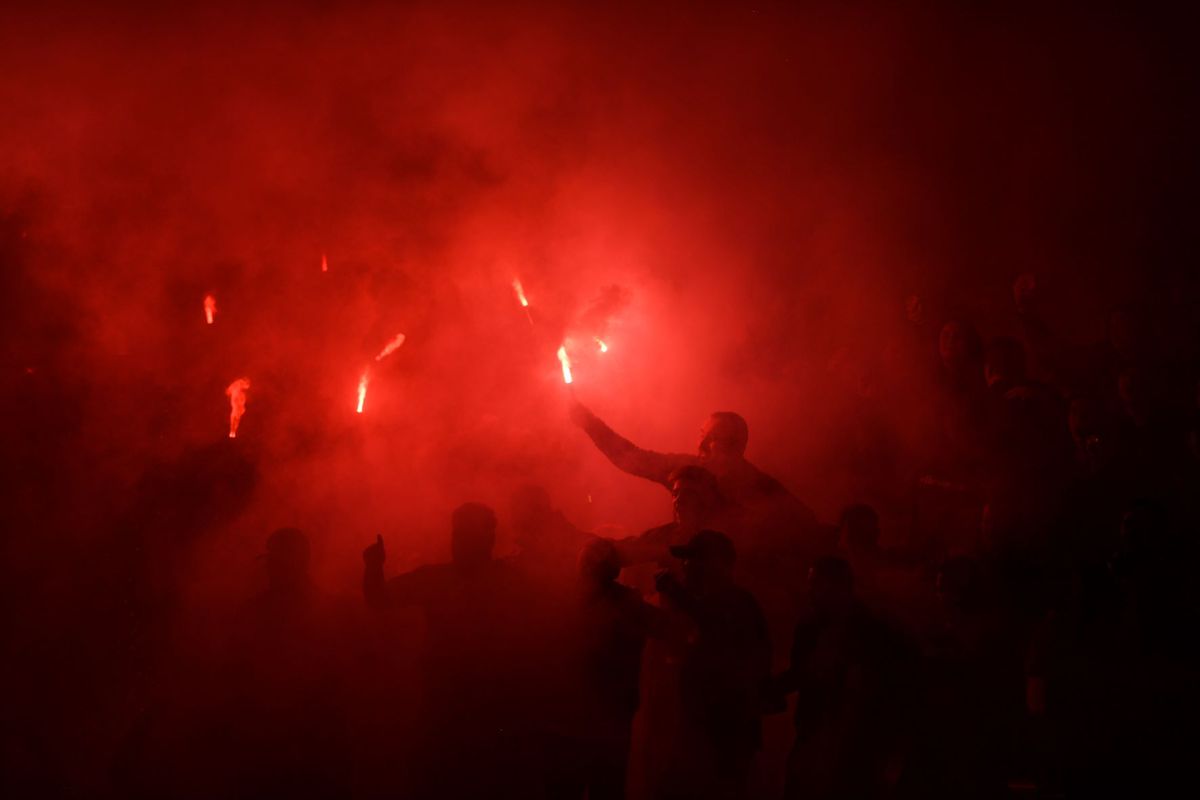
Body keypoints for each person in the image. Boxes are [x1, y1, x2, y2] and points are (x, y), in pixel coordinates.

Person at [362, 503, 530, 798]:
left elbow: (379, 599)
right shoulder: (447, 579)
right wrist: (373, 568)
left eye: (465, 535)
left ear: (487, 539)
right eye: (458, 534)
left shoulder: (507, 581)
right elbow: (379, 599)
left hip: (487, 708)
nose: (458, 542)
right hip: (450, 706)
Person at [770, 557, 912, 800]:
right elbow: (802, 673)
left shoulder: (873, 633)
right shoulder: (811, 627)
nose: (810, 591)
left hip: (855, 747)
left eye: (816, 583)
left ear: (840, 586)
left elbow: (892, 690)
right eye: (810, 583)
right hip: (813, 736)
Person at [538, 539, 668, 800]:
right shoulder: (627, 604)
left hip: (571, 722)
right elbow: (673, 630)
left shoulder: (559, 600)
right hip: (606, 722)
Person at [568, 400, 816, 537]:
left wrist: (589, 422)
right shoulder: (764, 484)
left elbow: (629, 457)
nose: (698, 440)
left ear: (712, 441)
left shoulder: (692, 472)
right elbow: (806, 521)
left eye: (702, 433)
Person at [653, 530, 771, 800]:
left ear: (715, 563)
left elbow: (717, 626)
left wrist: (678, 595)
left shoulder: (737, 602)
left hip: (723, 733)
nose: (686, 566)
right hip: (707, 731)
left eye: (693, 559)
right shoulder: (720, 602)